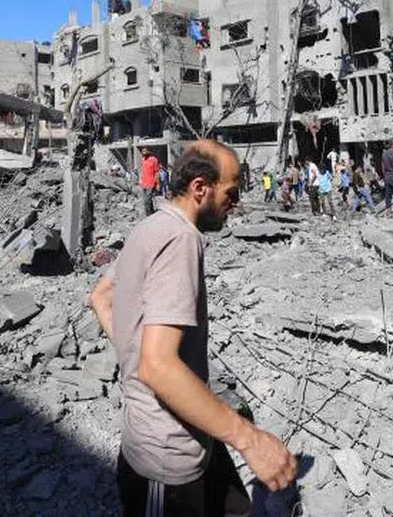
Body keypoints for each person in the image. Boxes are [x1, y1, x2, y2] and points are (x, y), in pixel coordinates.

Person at [88, 141, 297, 517]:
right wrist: (250, 441)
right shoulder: (180, 240)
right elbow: (157, 366)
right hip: (166, 464)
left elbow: (101, 297)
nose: (236, 203)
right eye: (231, 193)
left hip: (195, 438)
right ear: (201, 188)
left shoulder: (149, 226)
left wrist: (135, 356)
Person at [139, 147, 160, 217]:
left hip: (151, 183)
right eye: (142, 151)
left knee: (147, 200)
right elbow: (143, 171)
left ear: (149, 151)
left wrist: (158, 184)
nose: (143, 152)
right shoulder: (143, 160)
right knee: (147, 201)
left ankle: (148, 216)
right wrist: (141, 180)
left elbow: (157, 172)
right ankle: (151, 214)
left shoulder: (154, 160)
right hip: (144, 183)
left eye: (145, 151)